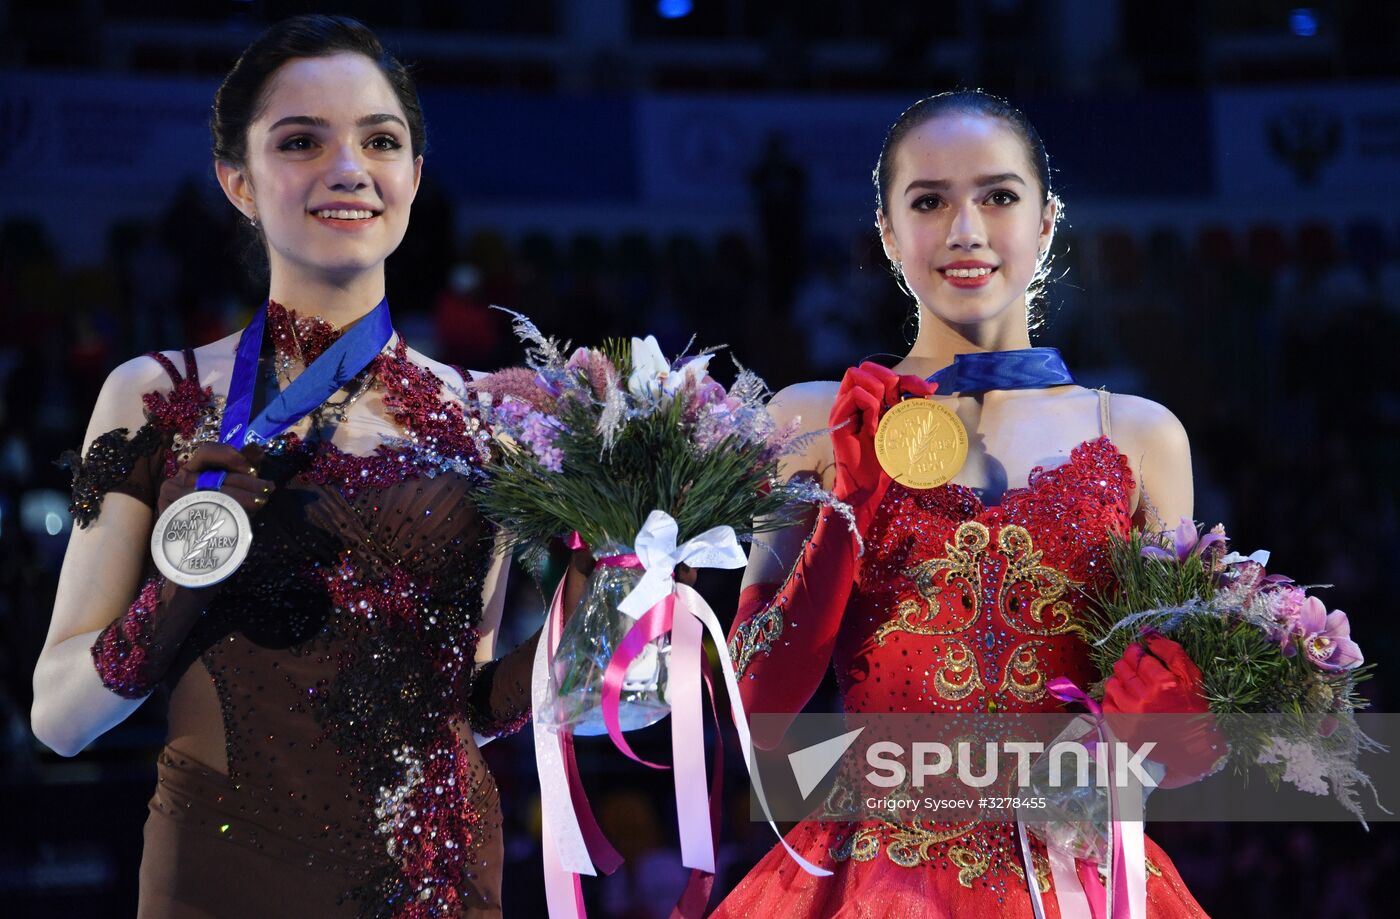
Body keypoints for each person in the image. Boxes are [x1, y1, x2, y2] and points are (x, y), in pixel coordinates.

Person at [31, 16, 535, 917]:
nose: (349, 167)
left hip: (436, 884)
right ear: (238, 182)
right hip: (223, 877)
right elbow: (59, 719)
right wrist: (181, 585)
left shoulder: (489, 417)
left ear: (414, 177)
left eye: (381, 141)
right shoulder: (156, 396)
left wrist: (604, 624)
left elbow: (470, 699)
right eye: (301, 141)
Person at [714, 91, 1211, 917]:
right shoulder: (806, 421)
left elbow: (1182, 744)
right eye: (930, 200)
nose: (966, 229)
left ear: (1047, 221)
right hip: (875, 878)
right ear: (887, 232)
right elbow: (759, 707)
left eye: (999, 196)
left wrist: (1173, 725)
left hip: (1076, 878)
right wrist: (848, 507)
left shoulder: (1139, 435)